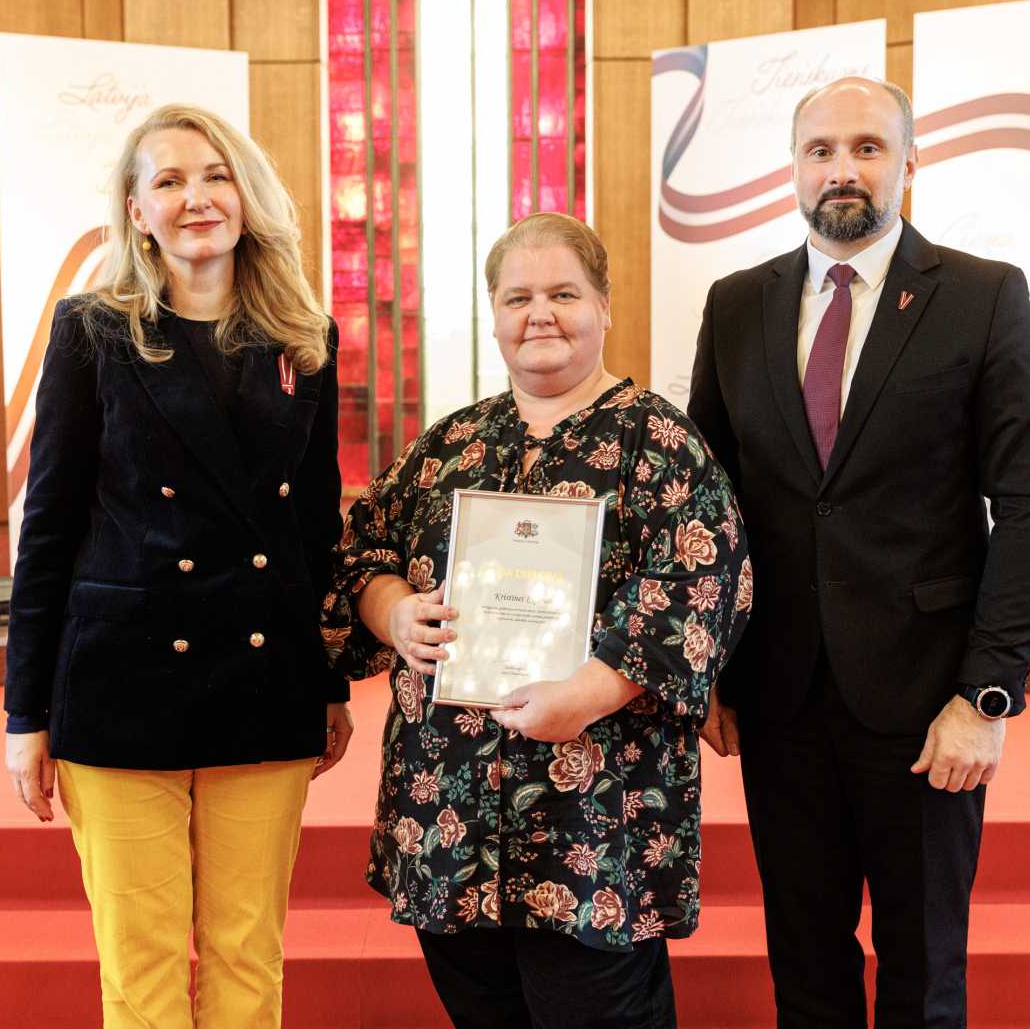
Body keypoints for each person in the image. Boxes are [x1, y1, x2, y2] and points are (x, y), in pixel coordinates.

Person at [686, 77, 1030, 1027]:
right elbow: (708, 509)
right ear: (793, 167)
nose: (842, 169)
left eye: (866, 147)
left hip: (927, 704)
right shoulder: (735, 305)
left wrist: (986, 696)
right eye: (819, 150)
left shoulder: (983, 297)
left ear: (908, 161)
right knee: (804, 965)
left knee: (922, 969)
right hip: (778, 699)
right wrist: (710, 671)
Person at [322, 212, 751, 1029]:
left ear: (604, 307)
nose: (540, 314)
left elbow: (701, 585)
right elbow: (359, 554)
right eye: (517, 298)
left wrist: (586, 694)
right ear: (493, 315)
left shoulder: (659, 443)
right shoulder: (448, 446)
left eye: (563, 293)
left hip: (593, 812)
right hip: (446, 808)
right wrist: (394, 612)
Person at [2, 103, 352, 1029]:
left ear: (246, 194)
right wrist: (25, 712)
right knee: (141, 965)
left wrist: (329, 682)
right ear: (136, 211)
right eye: (168, 181)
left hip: (264, 676)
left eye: (215, 175)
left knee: (247, 954)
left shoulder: (304, 337)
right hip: (120, 685)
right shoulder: (91, 330)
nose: (196, 198)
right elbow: (48, 530)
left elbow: (314, 531)